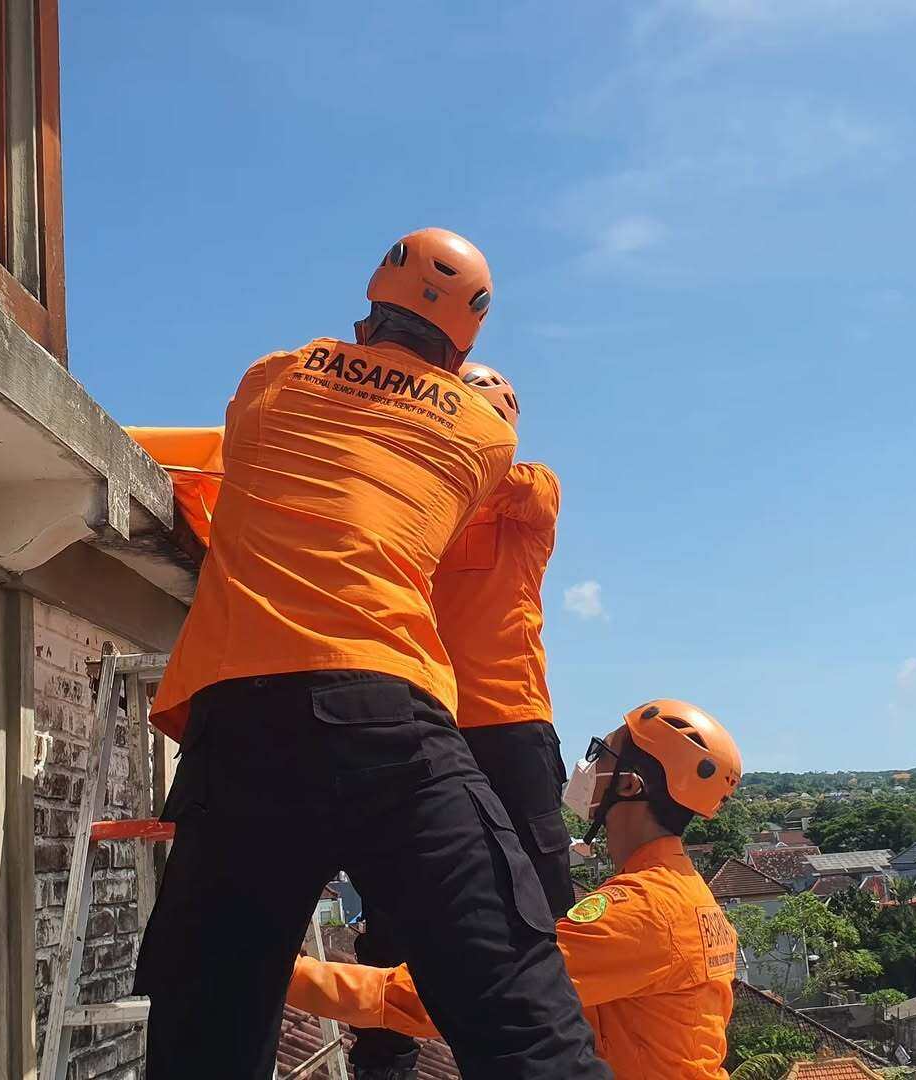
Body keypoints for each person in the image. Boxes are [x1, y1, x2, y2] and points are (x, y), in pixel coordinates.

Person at [133, 228, 608, 1080]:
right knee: (520, 1004)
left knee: (208, 1019)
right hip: (387, 718)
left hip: (238, 727)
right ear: (466, 341)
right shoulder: (481, 435)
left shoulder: (269, 379)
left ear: (369, 306)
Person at [288, 699, 743, 1080]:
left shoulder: (644, 913)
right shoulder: (690, 899)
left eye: (602, 752)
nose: (587, 766)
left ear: (628, 784)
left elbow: (478, 995)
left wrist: (292, 977)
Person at [352, 362, 574, 1079]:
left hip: (511, 723)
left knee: (544, 902)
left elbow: (492, 472)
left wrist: (434, 425)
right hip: (423, 715)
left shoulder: (531, 490)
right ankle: (384, 1059)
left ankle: (571, 1051)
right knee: (394, 899)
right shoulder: (414, 505)